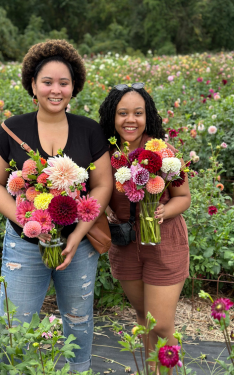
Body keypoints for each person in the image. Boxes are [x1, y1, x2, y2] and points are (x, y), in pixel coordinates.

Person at [0, 39, 112, 373]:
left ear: (74, 87)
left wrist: (77, 234)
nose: (56, 90)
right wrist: (27, 221)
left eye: (64, 83)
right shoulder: (12, 129)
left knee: (78, 321)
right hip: (24, 246)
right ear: (33, 85)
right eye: (48, 82)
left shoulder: (89, 130)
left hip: (78, 246)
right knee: (15, 325)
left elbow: (103, 185)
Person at [99, 83, 191, 373]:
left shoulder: (162, 151)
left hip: (164, 244)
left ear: (147, 116)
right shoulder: (105, 154)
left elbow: (183, 197)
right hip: (125, 245)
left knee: (161, 324)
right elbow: (96, 193)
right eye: (122, 112)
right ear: (111, 117)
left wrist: (164, 209)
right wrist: (106, 209)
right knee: (144, 318)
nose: (130, 119)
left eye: (138, 113)